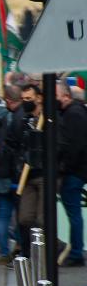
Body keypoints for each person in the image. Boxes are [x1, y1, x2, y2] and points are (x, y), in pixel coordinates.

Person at [7, 83, 44, 260]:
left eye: (29, 99)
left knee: (42, 220)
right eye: (23, 99)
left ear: (39, 98)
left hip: (44, 175)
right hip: (26, 175)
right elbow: (15, 143)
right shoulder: (24, 120)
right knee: (25, 218)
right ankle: (30, 253)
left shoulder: (49, 119)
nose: (25, 102)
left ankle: (46, 255)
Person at [0, 86, 22, 263]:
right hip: (12, 177)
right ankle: (17, 245)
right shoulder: (14, 118)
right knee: (17, 215)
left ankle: (3, 250)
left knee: (2, 215)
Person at [56, 80, 87, 266]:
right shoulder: (73, 112)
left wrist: (64, 168)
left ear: (66, 96)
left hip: (75, 171)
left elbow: (75, 146)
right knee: (73, 213)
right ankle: (75, 250)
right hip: (76, 169)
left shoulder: (74, 114)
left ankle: (76, 252)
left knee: (73, 213)